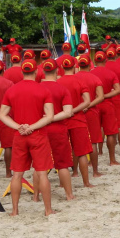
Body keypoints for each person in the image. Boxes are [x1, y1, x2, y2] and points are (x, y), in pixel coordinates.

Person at [0, 59, 55, 216]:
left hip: (19, 135)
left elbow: (3, 115)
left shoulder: (12, 90)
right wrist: (32, 127)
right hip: (37, 135)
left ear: (22, 72)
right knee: (42, 173)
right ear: (36, 72)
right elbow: (49, 116)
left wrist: (19, 126)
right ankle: (48, 210)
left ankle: (15, 211)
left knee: (17, 174)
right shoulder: (43, 90)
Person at [39, 59, 76, 202]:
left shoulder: (37, 88)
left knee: (40, 166)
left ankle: (36, 196)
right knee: (63, 164)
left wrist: (45, 119)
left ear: (42, 71)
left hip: (40, 128)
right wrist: (51, 117)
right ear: (57, 70)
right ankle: (69, 194)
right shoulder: (62, 89)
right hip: (58, 129)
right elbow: (68, 112)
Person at [57, 56, 95, 188]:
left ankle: (63, 183)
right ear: (74, 66)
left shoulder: (58, 82)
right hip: (78, 119)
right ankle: (86, 182)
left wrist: (66, 111)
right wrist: (74, 110)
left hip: (61, 120)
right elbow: (87, 101)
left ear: (62, 67)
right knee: (82, 152)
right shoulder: (79, 81)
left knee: (62, 153)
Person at [74, 54, 106, 177]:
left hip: (76, 112)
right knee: (93, 141)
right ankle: (95, 171)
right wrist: (88, 105)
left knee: (75, 142)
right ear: (89, 64)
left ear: (78, 65)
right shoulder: (94, 78)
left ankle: (75, 172)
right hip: (91, 112)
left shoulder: (74, 78)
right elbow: (101, 97)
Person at [90, 51, 120, 166]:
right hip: (107, 104)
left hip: (94, 105)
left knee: (94, 134)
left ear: (94, 61)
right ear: (105, 61)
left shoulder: (91, 73)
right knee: (110, 133)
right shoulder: (110, 73)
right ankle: (112, 159)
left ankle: (92, 161)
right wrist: (105, 96)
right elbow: (118, 90)